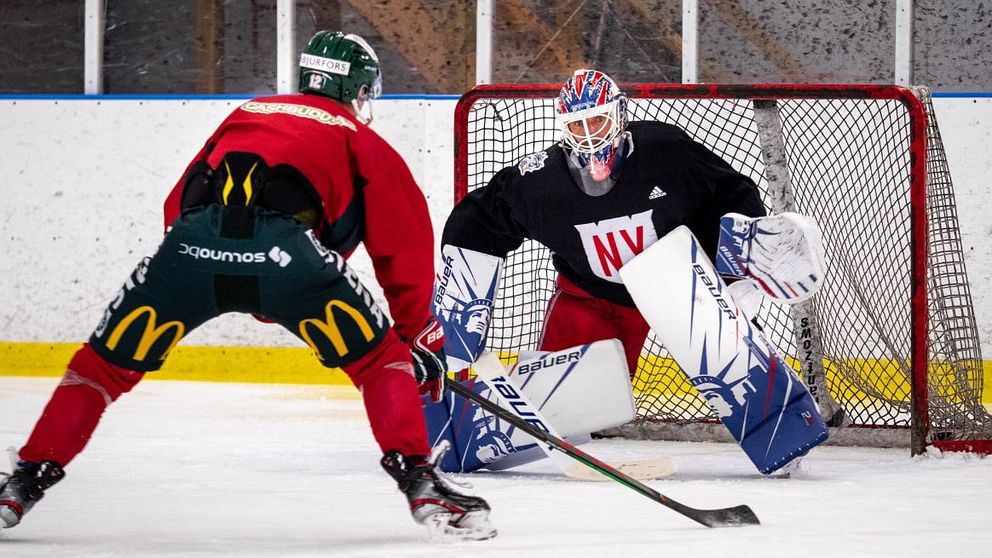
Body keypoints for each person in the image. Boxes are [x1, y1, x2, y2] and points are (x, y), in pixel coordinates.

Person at [0, 30, 495, 542]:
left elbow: (179, 203)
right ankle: (420, 480)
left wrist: (211, 268)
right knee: (379, 362)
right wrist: (417, 338)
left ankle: (23, 482)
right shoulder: (363, 140)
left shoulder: (249, 112)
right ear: (361, 91)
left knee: (101, 367)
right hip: (289, 260)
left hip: (190, 250)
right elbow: (404, 249)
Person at [441, 68, 766, 378]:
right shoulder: (544, 182)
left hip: (680, 286)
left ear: (619, 114)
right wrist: (462, 302)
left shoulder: (666, 154)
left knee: (742, 371)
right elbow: (482, 218)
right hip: (588, 295)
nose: (589, 134)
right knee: (563, 407)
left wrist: (735, 272)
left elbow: (730, 194)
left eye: (597, 119)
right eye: (577, 125)